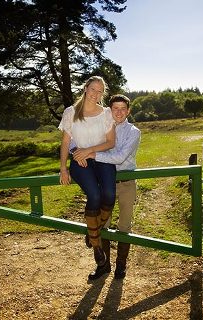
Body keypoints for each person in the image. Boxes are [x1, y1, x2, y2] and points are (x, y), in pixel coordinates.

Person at [73, 94, 140, 280]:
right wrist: (79, 152)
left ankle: (121, 266)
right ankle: (104, 265)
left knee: (124, 225)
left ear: (128, 111)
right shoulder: (100, 127)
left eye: (122, 108)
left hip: (126, 184)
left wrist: (92, 154)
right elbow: (79, 141)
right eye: (114, 108)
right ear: (109, 110)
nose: (118, 112)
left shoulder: (134, 132)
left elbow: (119, 158)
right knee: (104, 226)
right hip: (104, 184)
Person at [58, 76, 117, 274]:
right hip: (79, 162)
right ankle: (97, 248)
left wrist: (89, 151)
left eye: (100, 91)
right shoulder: (71, 112)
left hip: (101, 158)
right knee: (94, 196)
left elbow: (110, 142)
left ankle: (92, 232)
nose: (96, 94)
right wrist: (64, 167)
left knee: (109, 195)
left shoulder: (106, 113)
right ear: (85, 88)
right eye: (93, 89)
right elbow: (66, 142)